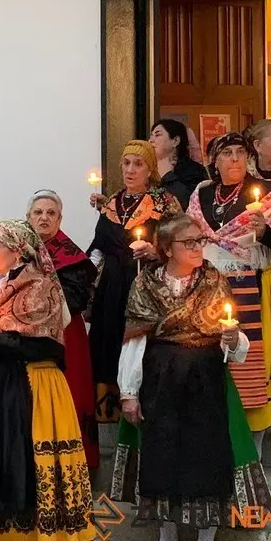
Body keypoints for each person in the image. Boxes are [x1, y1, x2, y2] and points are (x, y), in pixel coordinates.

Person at [111, 213, 271, 541]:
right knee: (163, 458)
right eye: (189, 242)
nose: (198, 247)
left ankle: (205, 535)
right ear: (166, 249)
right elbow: (135, 341)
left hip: (207, 381)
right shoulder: (145, 284)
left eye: (200, 240)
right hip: (160, 381)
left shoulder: (214, 280)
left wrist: (233, 340)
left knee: (207, 459)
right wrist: (128, 392)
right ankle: (167, 535)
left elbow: (232, 341)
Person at [0, 218, 95, 541]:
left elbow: (45, 346)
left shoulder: (41, 288)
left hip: (34, 386)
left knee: (26, 463)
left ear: (18, 249)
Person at [187, 132, 271, 456]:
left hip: (257, 292)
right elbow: (188, 236)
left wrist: (265, 232)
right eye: (227, 153)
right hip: (208, 292)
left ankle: (251, 455)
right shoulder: (202, 194)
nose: (235, 158)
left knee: (252, 372)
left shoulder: (270, 193)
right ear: (214, 161)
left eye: (240, 153)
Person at [87, 140, 181, 423]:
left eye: (138, 164)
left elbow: (179, 241)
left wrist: (155, 252)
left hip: (146, 281)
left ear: (150, 169)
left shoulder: (165, 202)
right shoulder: (112, 202)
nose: (130, 170)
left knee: (140, 342)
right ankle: (109, 411)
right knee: (109, 340)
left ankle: (146, 407)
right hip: (112, 284)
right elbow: (99, 245)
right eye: (126, 163)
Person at [27, 190, 99, 469]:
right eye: (38, 212)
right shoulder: (20, 251)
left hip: (66, 335)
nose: (44, 218)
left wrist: (34, 306)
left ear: (59, 219)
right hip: (27, 336)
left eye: (51, 213)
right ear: (28, 217)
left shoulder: (71, 257)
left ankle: (71, 464)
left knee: (70, 394)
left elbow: (75, 299)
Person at [149, 119, 209, 210]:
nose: (151, 140)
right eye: (151, 136)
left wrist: (168, 176)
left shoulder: (194, 169)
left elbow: (192, 204)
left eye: (157, 135)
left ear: (175, 141)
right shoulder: (148, 167)